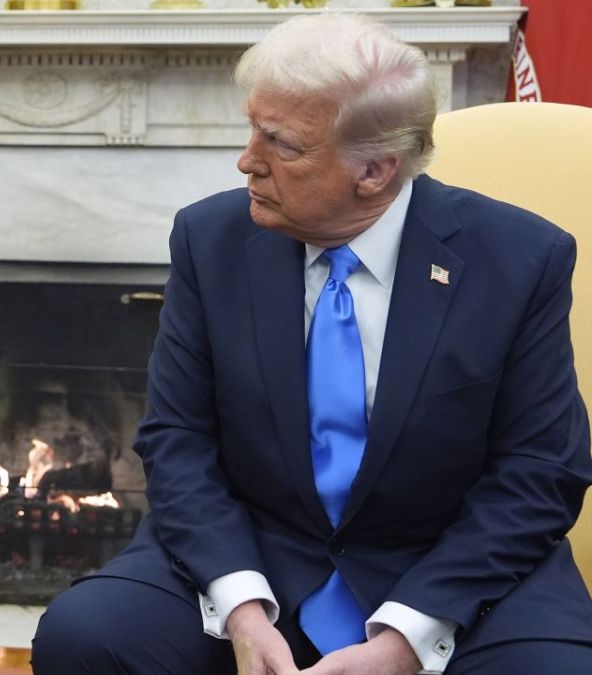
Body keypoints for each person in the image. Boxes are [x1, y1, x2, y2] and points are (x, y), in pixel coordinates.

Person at [33, 13, 592, 675]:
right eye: (251, 129)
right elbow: (177, 438)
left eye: (283, 145)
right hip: (256, 550)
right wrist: (240, 604)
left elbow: (539, 472)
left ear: (376, 170)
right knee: (85, 637)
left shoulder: (518, 259)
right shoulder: (211, 240)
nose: (247, 161)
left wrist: (405, 639)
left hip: (451, 565)